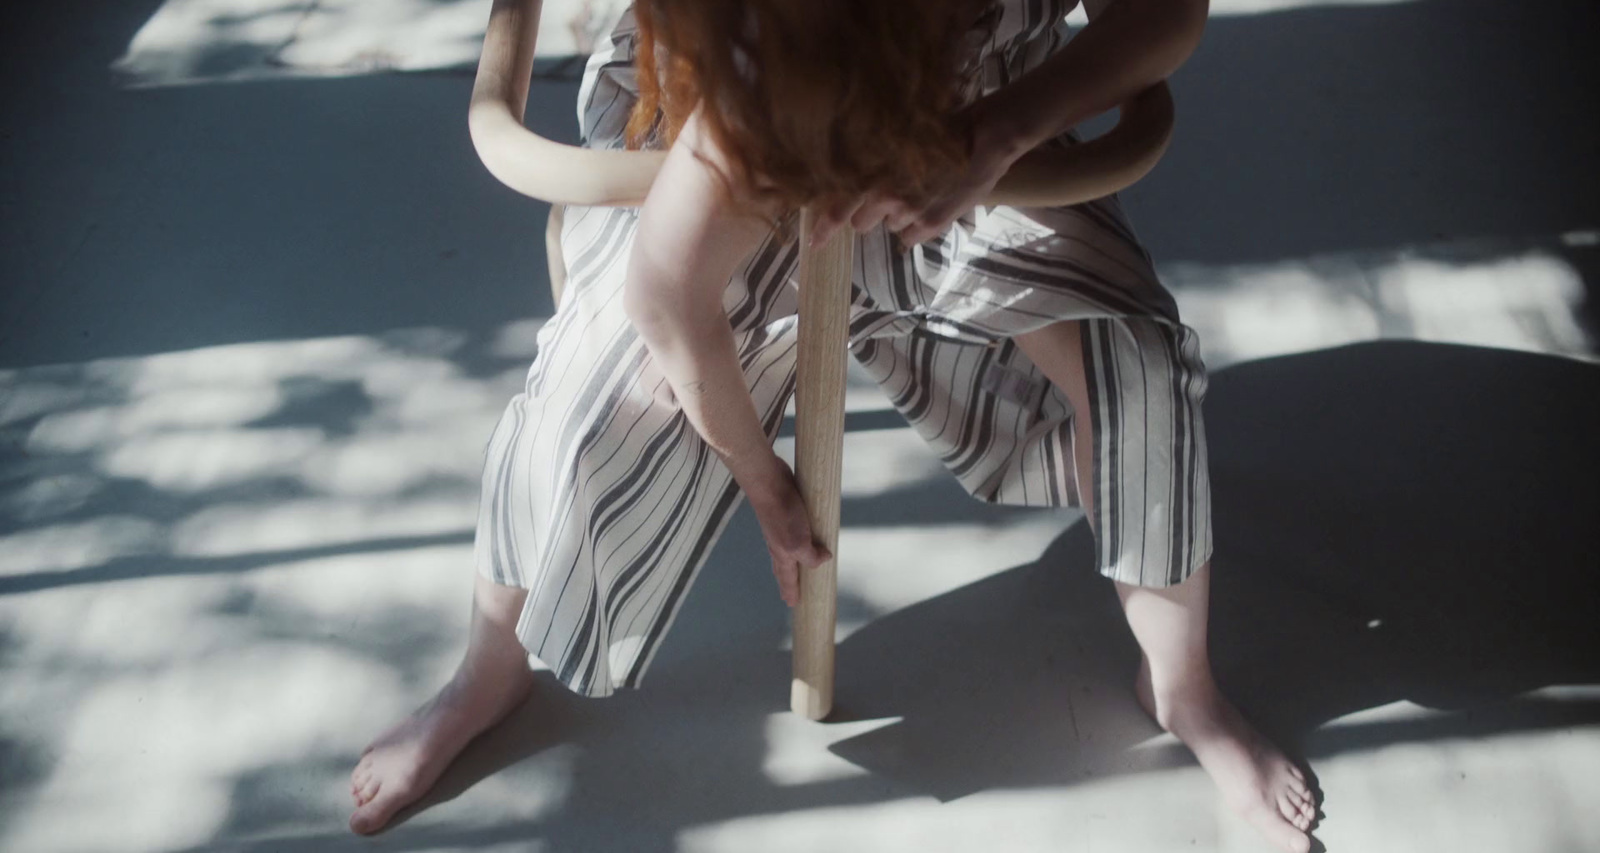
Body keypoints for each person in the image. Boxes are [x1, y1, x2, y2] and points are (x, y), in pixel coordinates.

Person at [349, 0, 1319, 850]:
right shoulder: (756, 71)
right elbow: (666, 295)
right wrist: (761, 478)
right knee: (572, 416)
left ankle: (1182, 683)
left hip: (977, 128)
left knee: (1137, 371)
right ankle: (486, 668)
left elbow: (1164, 13)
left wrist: (1002, 128)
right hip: (746, 145)